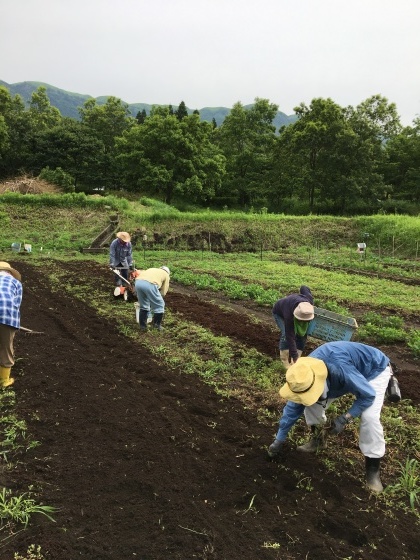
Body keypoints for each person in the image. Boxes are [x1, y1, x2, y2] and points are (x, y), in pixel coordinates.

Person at [267, 341, 392, 493]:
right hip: (343, 376)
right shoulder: (303, 376)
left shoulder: (340, 368)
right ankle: (318, 440)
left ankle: (373, 471)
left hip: (373, 370)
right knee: (310, 403)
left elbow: (367, 395)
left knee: (369, 417)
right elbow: (293, 408)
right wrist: (279, 440)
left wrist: (345, 418)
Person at [272, 286, 314, 369]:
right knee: (285, 334)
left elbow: (304, 287)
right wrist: (295, 356)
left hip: (294, 305)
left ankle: (295, 362)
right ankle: (284, 362)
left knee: (302, 334)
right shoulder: (289, 316)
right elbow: (290, 336)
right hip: (279, 312)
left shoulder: (308, 303)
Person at [0, 262, 23, 389]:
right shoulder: (16, 283)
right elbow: (16, 304)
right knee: (6, 347)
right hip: (7, 316)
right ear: (9, 272)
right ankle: (3, 381)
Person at [133, 266, 170, 331]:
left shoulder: (152, 269)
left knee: (144, 306)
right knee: (160, 305)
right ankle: (156, 325)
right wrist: (158, 297)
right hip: (150, 284)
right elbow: (164, 291)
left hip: (138, 282)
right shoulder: (166, 274)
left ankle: (143, 327)